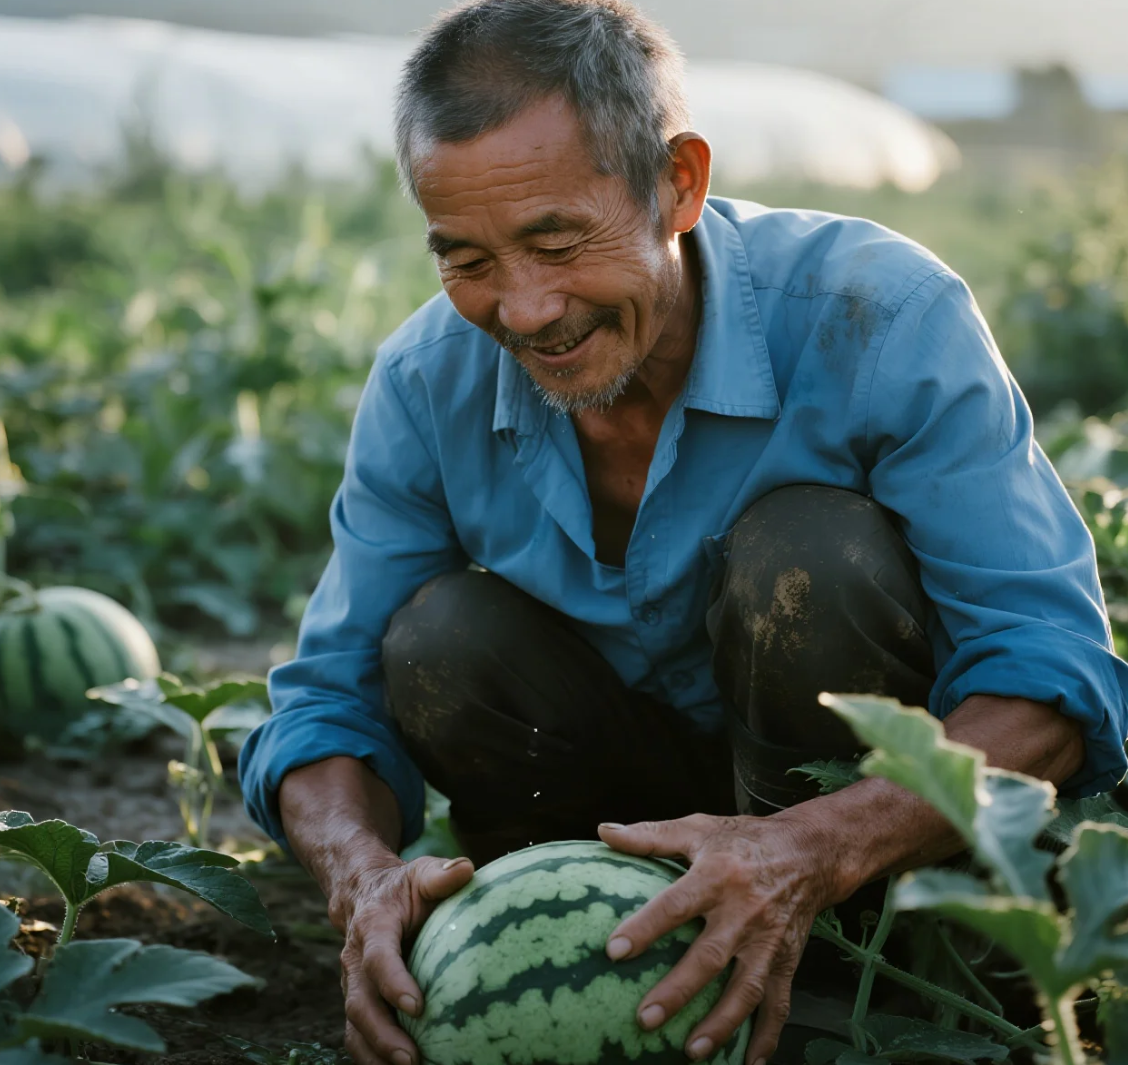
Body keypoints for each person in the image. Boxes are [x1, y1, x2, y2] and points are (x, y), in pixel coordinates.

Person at [237, 1, 1128, 1063]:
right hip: (593, 851)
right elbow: (327, 700)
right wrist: (361, 875)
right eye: (467, 259)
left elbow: (1050, 678)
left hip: (870, 854)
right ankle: (571, 983)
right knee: (438, 638)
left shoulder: (880, 316)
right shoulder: (427, 381)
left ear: (680, 185)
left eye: (557, 241)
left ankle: (869, 984)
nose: (522, 309)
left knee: (810, 557)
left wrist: (808, 846)